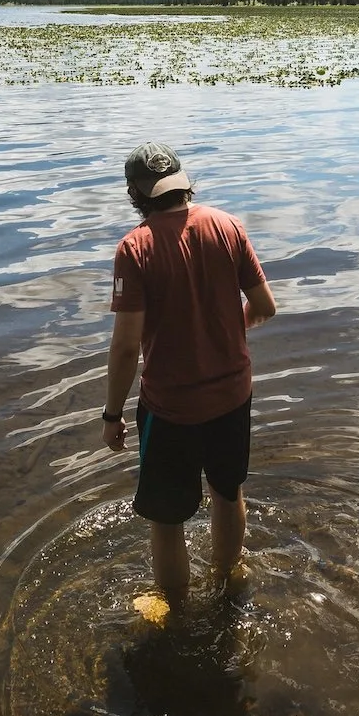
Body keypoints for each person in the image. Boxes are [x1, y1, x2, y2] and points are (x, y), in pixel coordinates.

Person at [102, 143, 278, 615]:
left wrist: (112, 414)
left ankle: (176, 611)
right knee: (227, 492)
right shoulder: (227, 226)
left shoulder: (135, 248)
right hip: (233, 396)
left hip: (171, 410)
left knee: (166, 520)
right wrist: (221, 331)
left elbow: (124, 346)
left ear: (136, 195)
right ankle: (226, 581)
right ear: (182, 181)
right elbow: (265, 307)